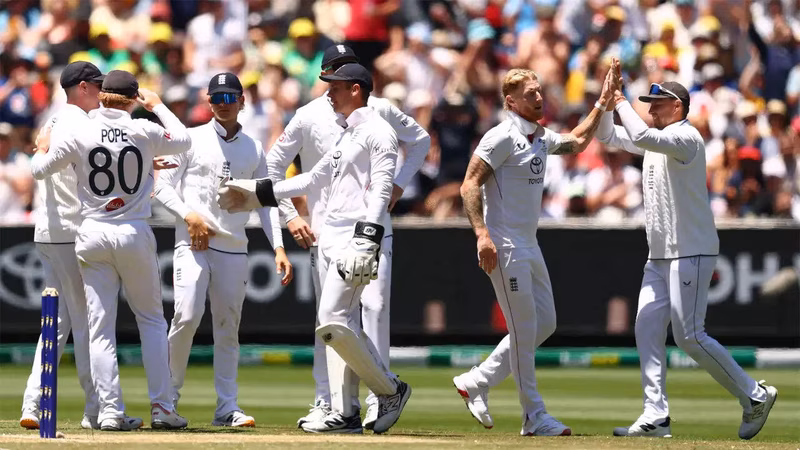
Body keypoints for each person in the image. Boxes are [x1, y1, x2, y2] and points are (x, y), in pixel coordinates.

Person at [218, 63, 412, 434]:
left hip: (357, 238)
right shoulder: (348, 133)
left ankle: (388, 390)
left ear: (356, 90)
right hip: (333, 236)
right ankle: (349, 410)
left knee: (334, 320)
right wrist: (256, 193)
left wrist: (368, 238)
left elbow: (384, 187)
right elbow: (313, 177)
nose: (329, 93)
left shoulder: (380, 132)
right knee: (334, 323)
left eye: (335, 87)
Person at [595, 79, 778, 439]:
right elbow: (607, 137)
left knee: (689, 336)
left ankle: (755, 396)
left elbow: (642, 135)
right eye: (646, 104)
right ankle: (655, 415)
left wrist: (620, 100)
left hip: (690, 250)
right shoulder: (654, 139)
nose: (650, 109)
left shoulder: (686, 139)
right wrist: (604, 102)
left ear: (677, 106)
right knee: (646, 328)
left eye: (657, 104)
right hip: (660, 256)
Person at [266, 44, 429, 429]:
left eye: (344, 72)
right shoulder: (308, 116)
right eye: (333, 72)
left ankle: (379, 398)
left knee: (373, 309)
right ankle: (332, 403)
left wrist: (399, 186)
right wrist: (291, 217)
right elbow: (275, 166)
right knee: (330, 322)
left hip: (372, 231)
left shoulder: (381, 112)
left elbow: (420, 141)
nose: (335, 81)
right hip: (326, 233)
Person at [453, 60, 620, 436]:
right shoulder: (498, 137)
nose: (539, 98)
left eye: (540, 91)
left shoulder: (541, 137)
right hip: (505, 246)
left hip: (530, 243)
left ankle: (477, 380)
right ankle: (534, 416)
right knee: (525, 327)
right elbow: (469, 185)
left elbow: (577, 142)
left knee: (545, 323)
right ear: (511, 102)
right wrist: (482, 234)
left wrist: (602, 103)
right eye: (531, 95)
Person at [30, 70, 192, 431]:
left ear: (102, 96)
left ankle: (109, 411)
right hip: (133, 231)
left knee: (100, 328)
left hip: (92, 231)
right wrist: (159, 106)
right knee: (150, 320)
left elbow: (40, 170)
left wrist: (42, 148)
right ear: (133, 98)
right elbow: (182, 140)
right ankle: (162, 408)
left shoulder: (80, 130)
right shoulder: (144, 129)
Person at [153, 72, 292, 428]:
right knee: (185, 316)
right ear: (208, 101)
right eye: (217, 98)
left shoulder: (254, 148)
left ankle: (226, 407)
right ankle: (166, 402)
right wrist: (190, 216)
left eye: (230, 98)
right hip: (193, 242)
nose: (223, 105)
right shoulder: (190, 139)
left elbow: (265, 203)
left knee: (228, 327)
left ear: (242, 101)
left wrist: (277, 245)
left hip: (233, 246)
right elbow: (162, 188)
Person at [20, 61, 105, 431]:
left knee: (54, 326)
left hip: (49, 231)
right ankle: (96, 409)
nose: (103, 93)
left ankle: (33, 404)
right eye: (98, 86)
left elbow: (38, 161)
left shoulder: (52, 121)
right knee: (87, 323)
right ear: (83, 87)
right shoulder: (82, 124)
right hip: (73, 231)